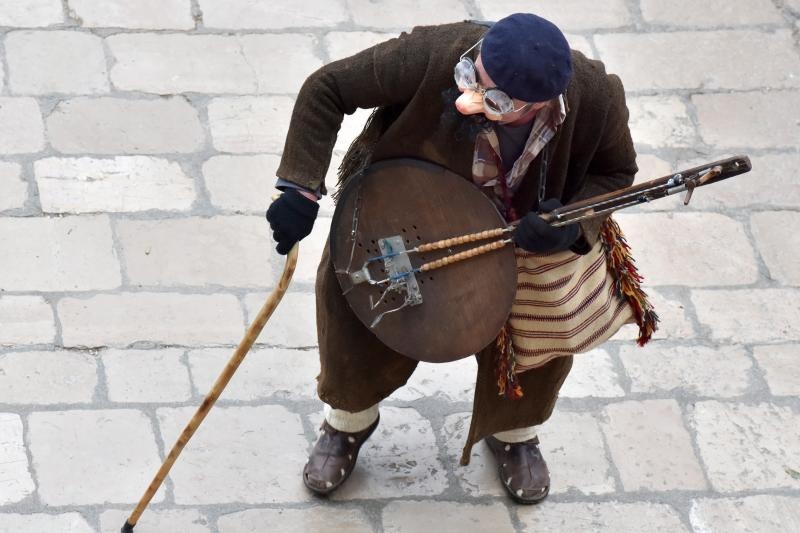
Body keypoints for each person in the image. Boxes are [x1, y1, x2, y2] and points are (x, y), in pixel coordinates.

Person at [266, 13, 655, 503]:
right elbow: (327, 88)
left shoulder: (597, 98)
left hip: (519, 241)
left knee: (532, 338)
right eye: (474, 79)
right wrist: (300, 189)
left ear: (539, 105)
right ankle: (347, 422)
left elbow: (616, 172)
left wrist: (571, 226)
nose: (471, 97)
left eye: (496, 102)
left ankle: (513, 433)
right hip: (407, 214)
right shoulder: (435, 53)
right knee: (358, 320)